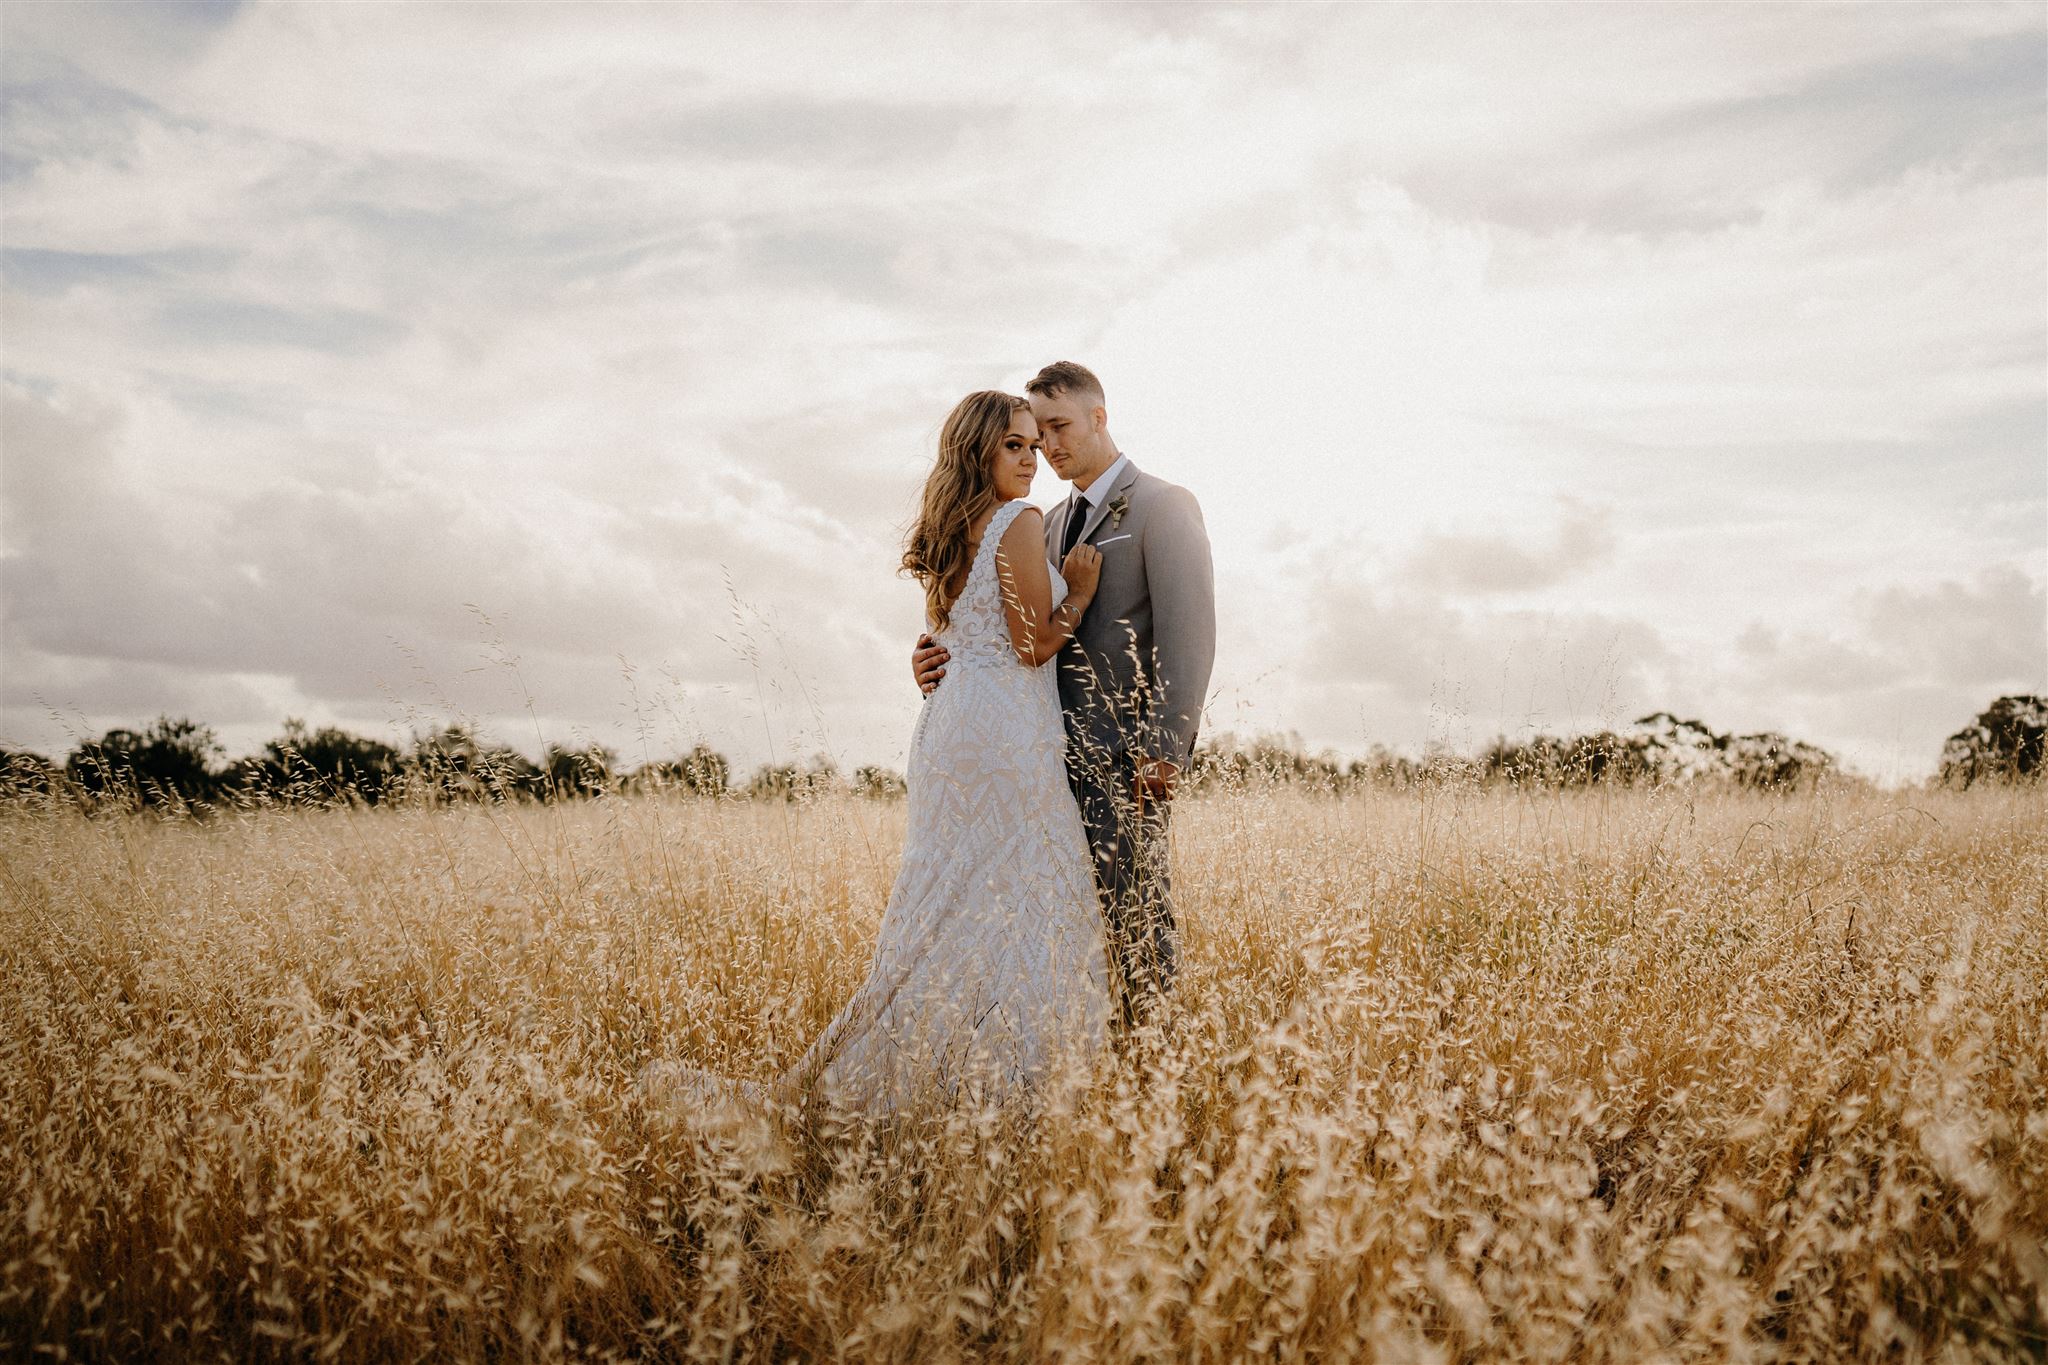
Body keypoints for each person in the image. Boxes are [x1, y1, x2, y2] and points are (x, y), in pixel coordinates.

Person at [643, 391, 1113, 1121]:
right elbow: (1032, 644)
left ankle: (912, 1080)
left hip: (951, 728)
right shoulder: (1018, 520)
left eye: (1033, 444)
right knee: (1026, 898)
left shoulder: (954, 530)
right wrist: (1078, 592)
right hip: (1004, 739)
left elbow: (957, 632)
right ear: (979, 452)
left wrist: (931, 656)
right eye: (1014, 446)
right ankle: (999, 1088)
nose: (1031, 460)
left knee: (946, 906)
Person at [913, 361, 1216, 1032]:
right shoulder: (1043, 520)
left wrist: (1165, 749)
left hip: (1122, 764)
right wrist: (937, 655)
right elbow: (1002, 613)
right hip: (1037, 763)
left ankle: (1150, 1070)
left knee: (1135, 922)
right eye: (1034, 433)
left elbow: (1189, 634)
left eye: (1059, 427)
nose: (1047, 446)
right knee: (1051, 932)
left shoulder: (1164, 506)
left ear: (1099, 419)